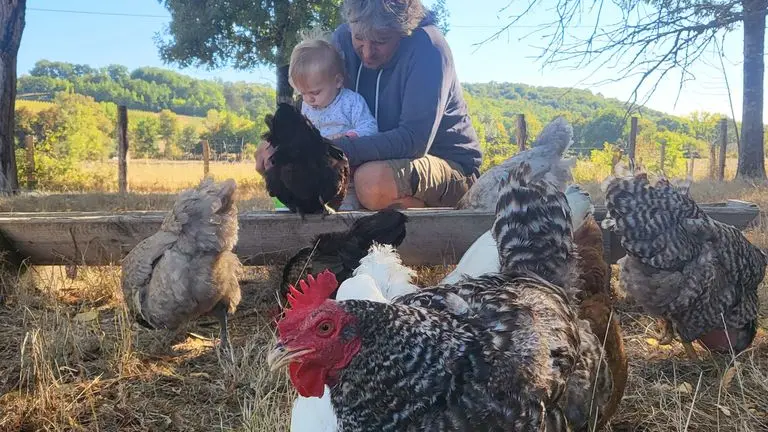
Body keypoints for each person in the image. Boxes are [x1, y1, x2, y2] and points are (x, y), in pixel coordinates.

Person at [256, 0, 482, 210]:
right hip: (368, 159)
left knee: (371, 182)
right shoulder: (343, 39)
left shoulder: (429, 47)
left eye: (381, 41)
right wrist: (279, 141)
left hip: (451, 167)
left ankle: (431, 235)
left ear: (403, 31)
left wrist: (325, 149)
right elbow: (317, 96)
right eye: (359, 39)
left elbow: (413, 141)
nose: (367, 52)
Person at [288, 35, 379, 209]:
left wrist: (350, 137)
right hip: (317, 174)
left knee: (345, 209)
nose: (309, 99)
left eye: (315, 92)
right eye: (303, 94)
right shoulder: (306, 107)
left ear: (337, 81)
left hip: (347, 175)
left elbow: (370, 128)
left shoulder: (351, 102)